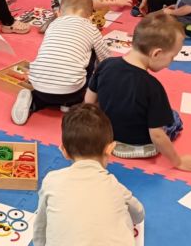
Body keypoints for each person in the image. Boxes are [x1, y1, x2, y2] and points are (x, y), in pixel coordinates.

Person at [85, 13, 191, 172]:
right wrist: (178, 162)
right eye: (172, 57)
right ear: (156, 53)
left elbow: (89, 102)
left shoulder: (105, 65)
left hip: (109, 134)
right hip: (142, 142)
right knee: (174, 118)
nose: (171, 63)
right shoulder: (153, 87)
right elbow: (157, 135)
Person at [33, 103, 144, 246]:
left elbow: (40, 227)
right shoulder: (115, 187)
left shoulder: (52, 181)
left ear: (64, 151)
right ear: (110, 149)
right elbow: (139, 214)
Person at [11, 0, 110, 125]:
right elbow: (106, 59)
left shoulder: (53, 25)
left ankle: (34, 101)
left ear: (59, 12)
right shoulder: (92, 29)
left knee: (51, 71)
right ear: (90, 16)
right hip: (72, 91)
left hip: (38, 86)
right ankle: (69, 103)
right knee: (93, 52)